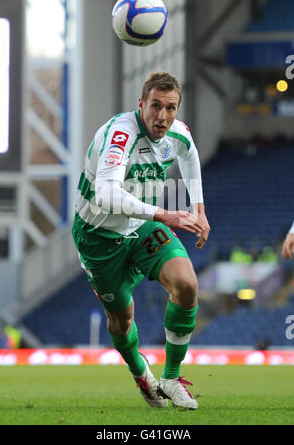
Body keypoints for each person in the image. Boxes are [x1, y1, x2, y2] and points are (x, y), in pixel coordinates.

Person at [71, 72, 210, 410]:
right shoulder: (121, 134)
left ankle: (172, 377)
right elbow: (104, 194)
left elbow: (189, 155)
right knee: (123, 319)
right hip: (98, 237)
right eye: (156, 106)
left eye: (171, 108)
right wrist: (164, 214)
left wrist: (198, 209)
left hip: (142, 226)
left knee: (187, 284)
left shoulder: (176, 132)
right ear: (141, 105)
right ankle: (140, 372)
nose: (162, 116)